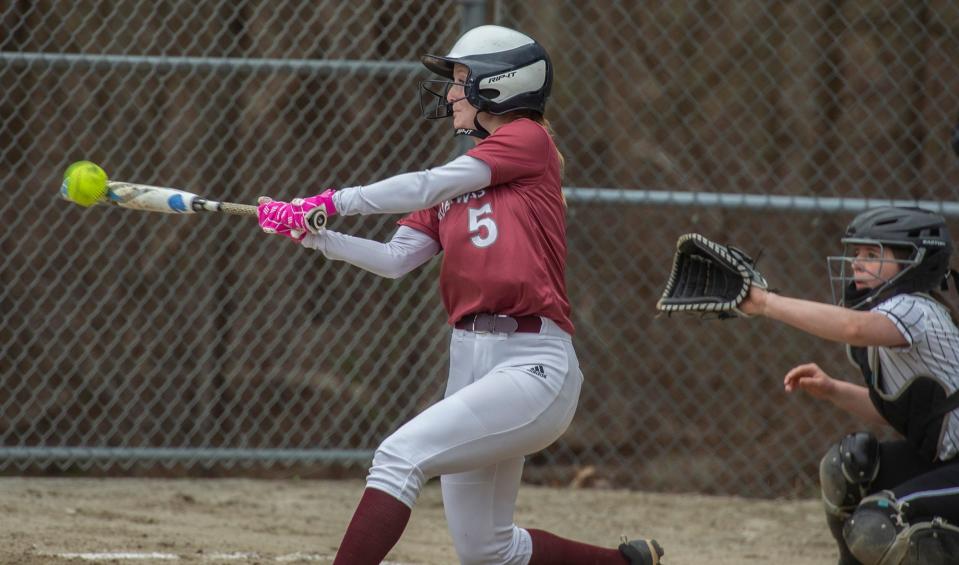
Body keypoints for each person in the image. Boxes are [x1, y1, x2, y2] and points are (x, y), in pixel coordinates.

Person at [256, 25, 663, 565]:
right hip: (469, 361)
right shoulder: (455, 185)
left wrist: (331, 201)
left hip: (531, 364)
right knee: (489, 551)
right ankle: (628, 564)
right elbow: (396, 259)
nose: (451, 93)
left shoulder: (528, 139)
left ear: (501, 85)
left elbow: (426, 184)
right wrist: (316, 236)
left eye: (463, 80)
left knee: (398, 457)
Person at [739, 206, 959, 565]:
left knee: (882, 522)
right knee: (848, 466)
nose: (857, 263)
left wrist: (764, 302)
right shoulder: (889, 317)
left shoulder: (915, 309)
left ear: (914, 262)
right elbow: (906, 415)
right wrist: (833, 390)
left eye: (872, 255)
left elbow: (852, 327)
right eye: (857, 253)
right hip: (944, 460)